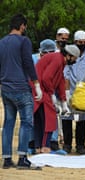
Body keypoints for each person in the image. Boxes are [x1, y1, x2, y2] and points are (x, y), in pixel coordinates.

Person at [0, 14, 42, 170]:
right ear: (22, 25)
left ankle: (7, 159)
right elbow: (28, 62)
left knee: (8, 123)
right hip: (21, 88)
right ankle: (23, 157)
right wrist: (36, 83)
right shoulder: (24, 41)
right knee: (26, 122)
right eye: (25, 26)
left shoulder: (2, 42)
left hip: (5, 88)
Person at [33, 45, 80, 153]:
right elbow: (46, 77)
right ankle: (44, 147)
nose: (75, 61)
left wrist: (63, 101)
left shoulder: (59, 60)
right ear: (69, 55)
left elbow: (60, 81)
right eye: (74, 58)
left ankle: (38, 146)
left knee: (40, 119)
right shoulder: (58, 60)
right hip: (41, 89)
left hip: (40, 88)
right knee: (49, 118)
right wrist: (51, 94)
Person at [28, 39, 56, 154]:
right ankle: (37, 146)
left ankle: (45, 145)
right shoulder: (33, 60)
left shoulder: (54, 61)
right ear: (42, 52)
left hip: (47, 94)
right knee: (38, 121)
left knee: (47, 121)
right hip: (35, 93)